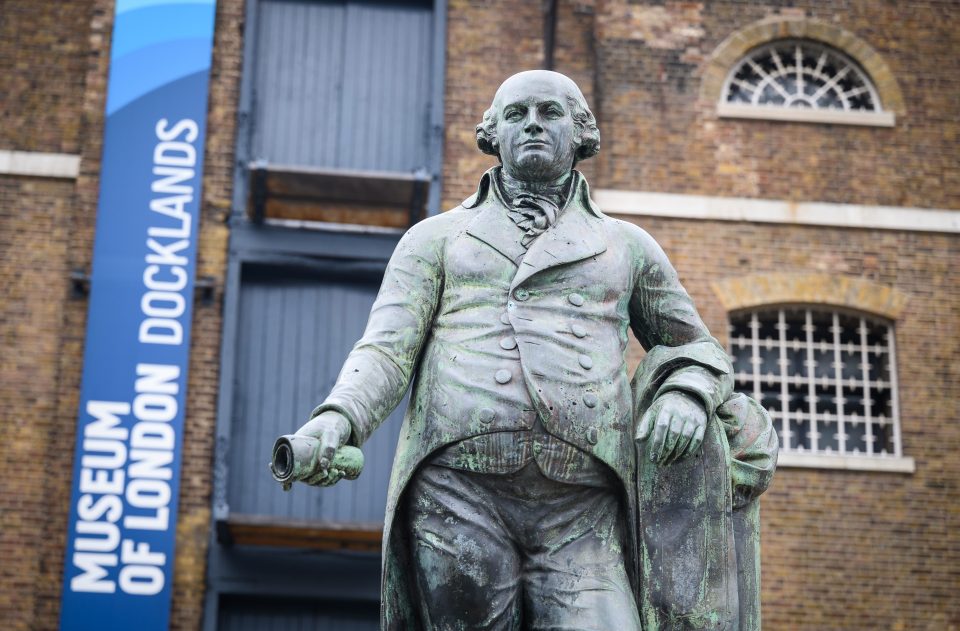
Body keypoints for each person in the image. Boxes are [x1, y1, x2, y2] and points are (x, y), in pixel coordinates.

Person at [292, 70, 743, 630]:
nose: (532, 123)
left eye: (550, 112)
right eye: (516, 113)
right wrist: (337, 420)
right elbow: (386, 349)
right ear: (493, 134)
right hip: (458, 489)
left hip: (581, 504)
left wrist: (686, 392)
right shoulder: (435, 238)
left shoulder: (627, 245)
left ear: (580, 133)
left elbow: (697, 347)